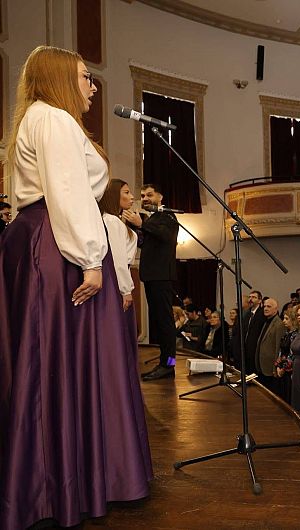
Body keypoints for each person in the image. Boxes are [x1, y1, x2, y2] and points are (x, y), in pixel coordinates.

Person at [0, 45, 152, 529]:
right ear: (62, 78)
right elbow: (67, 193)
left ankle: (54, 482)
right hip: (59, 245)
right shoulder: (55, 119)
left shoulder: (39, 119)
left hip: (40, 239)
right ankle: (68, 484)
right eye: (85, 77)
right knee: (65, 361)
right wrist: (90, 259)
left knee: (50, 362)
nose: (92, 86)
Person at [131, 182, 179, 381]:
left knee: (165, 322)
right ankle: (164, 362)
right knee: (159, 321)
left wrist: (142, 224)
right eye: (142, 196)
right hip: (152, 276)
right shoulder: (153, 219)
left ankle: (169, 365)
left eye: (149, 195)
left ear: (160, 197)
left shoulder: (167, 216)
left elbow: (166, 236)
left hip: (161, 276)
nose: (145, 199)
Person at [97, 178, 137, 313]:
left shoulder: (113, 220)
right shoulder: (112, 221)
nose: (132, 197)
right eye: (126, 192)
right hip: (115, 280)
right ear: (114, 195)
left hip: (116, 278)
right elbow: (118, 257)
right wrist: (125, 289)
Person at [254, 297, 285, 393]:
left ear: (276, 309)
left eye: (269, 306)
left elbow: (278, 348)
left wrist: (275, 368)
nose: (266, 308)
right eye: (265, 306)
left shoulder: (279, 324)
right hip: (262, 366)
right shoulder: (266, 321)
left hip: (270, 368)